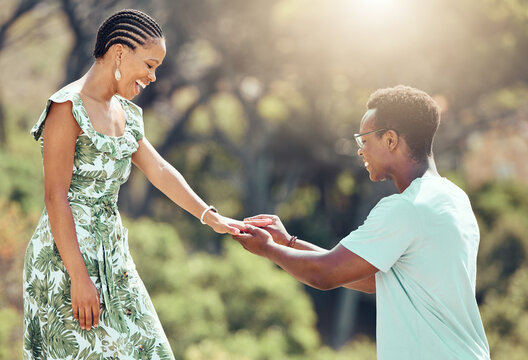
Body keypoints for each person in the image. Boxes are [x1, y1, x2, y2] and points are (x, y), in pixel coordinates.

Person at [23, 9, 244, 359]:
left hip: (113, 256)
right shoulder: (66, 107)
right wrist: (79, 277)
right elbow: (55, 198)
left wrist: (210, 216)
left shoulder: (127, 114)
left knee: (150, 350)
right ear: (120, 52)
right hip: (65, 258)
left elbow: (159, 170)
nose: (154, 77)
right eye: (150, 64)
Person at [235, 85, 491, 359]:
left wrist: (268, 249)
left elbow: (324, 274)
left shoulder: (405, 208)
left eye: (364, 140)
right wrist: (287, 243)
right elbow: (371, 279)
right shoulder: (453, 198)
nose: (360, 151)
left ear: (391, 140)